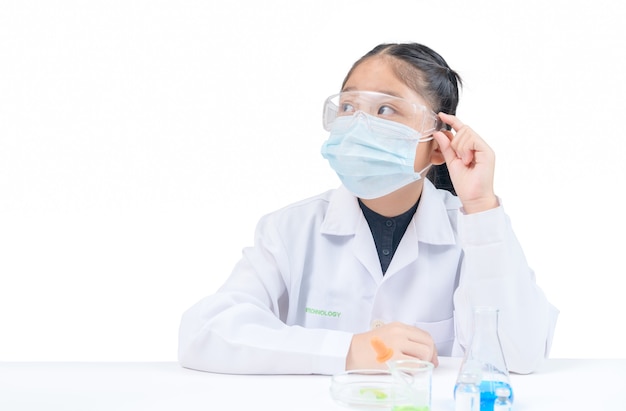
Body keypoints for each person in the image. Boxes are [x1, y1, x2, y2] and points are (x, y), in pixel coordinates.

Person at [178, 42, 559, 375]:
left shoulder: (472, 228)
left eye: (386, 110)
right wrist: (347, 351)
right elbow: (205, 333)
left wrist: (479, 206)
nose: (358, 125)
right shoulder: (290, 230)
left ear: (438, 142)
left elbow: (517, 355)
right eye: (347, 106)